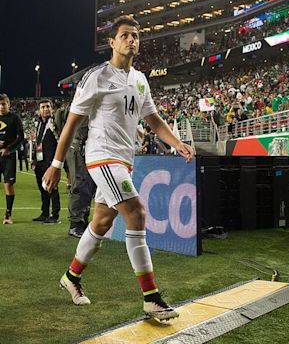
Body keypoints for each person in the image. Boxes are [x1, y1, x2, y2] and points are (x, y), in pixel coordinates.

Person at [43, 16, 194, 322]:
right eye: (125, 35)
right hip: (101, 156)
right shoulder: (96, 77)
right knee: (136, 213)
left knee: (100, 223)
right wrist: (56, 165)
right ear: (111, 42)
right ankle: (151, 298)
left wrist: (176, 143)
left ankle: (71, 278)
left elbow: (153, 120)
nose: (131, 40)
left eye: (135, 36)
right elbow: (71, 124)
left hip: (124, 160)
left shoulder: (140, 79)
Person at [54, 103, 96, 238]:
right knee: (80, 183)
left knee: (88, 185)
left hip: (86, 146)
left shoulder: (84, 101)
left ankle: (83, 221)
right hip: (78, 146)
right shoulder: (79, 102)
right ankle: (75, 224)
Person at [32, 100, 61, 224]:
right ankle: (44, 213)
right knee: (42, 189)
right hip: (39, 161)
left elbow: (60, 141)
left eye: (47, 107)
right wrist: (34, 160)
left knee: (52, 188)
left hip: (50, 162)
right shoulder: (38, 124)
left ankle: (55, 215)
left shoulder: (54, 123)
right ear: (39, 110)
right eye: (43, 107)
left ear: (52, 109)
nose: (45, 109)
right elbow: (37, 143)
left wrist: (55, 162)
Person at [0, 94, 24, 225]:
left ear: (8, 104)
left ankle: (8, 214)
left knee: (8, 185)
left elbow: (20, 137)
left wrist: (8, 148)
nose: (1, 107)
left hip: (9, 157)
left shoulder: (14, 118)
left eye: (3, 104)